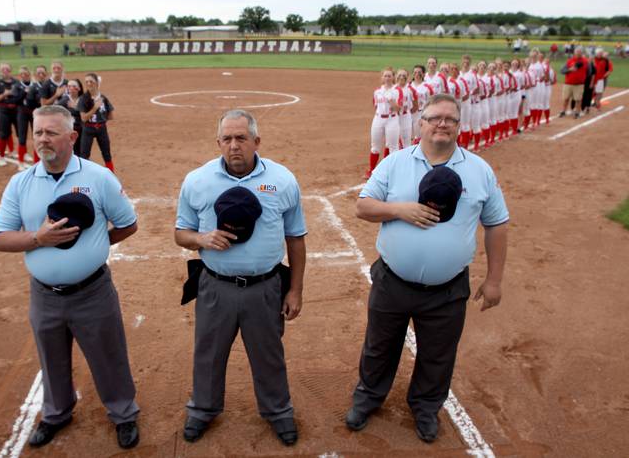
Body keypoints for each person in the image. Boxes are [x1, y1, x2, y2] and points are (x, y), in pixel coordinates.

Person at [345, 93, 509, 443]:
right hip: (393, 281)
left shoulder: (479, 171)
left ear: (458, 125)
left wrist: (494, 280)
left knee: (438, 354)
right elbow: (363, 207)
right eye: (435, 117)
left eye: (450, 119)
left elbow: (497, 224)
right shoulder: (394, 163)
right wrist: (400, 210)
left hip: (447, 288)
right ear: (421, 123)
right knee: (379, 346)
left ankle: (425, 407)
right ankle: (368, 398)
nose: (442, 124)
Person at [0, 105, 141, 450]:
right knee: (51, 357)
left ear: (72, 137)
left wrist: (95, 246)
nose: (43, 139)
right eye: (38, 132)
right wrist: (37, 239)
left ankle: (123, 413)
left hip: (92, 292)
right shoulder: (20, 183)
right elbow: (0, 238)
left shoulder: (99, 177)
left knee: (109, 354)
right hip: (44, 295)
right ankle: (57, 414)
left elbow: (128, 223)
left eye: (51, 132)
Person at [174, 109, 307, 446]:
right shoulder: (197, 180)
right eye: (227, 139)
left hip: (265, 288)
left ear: (256, 141)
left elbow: (296, 237)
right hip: (215, 287)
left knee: (268, 354)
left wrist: (295, 291)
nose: (234, 146)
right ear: (218, 142)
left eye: (241, 138)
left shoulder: (282, 180)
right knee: (208, 353)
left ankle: (278, 412)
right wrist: (202, 239)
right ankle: (202, 409)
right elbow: (180, 233)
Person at [367, 67, 402, 178]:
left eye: (389, 76)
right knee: (375, 146)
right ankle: (372, 171)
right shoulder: (377, 92)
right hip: (378, 119)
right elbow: (375, 105)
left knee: (393, 147)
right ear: (382, 78)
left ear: (393, 77)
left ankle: (391, 171)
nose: (387, 78)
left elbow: (398, 109)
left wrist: (391, 100)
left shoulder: (397, 91)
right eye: (385, 76)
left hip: (392, 119)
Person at [79, 73, 116, 171]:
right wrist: (95, 108)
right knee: (84, 154)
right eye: (86, 82)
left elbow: (111, 115)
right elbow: (83, 118)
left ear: (96, 83)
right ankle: (83, 174)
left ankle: (111, 174)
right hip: (88, 128)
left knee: (106, 153)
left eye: (91, 81)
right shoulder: (83, 99)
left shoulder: (103, 98)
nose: (89, 83)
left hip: (101, 128)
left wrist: (101, 119)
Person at [55, 79, 84, 156]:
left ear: (79, 88)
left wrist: (76, 107)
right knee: (71, 150)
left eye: (74, 86)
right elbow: (55, 112)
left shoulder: (83, 99)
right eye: (69, 86)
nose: (71, 88)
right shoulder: (64, 100)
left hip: (83, 130)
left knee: (83, 151)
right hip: (69, 131)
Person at [560, 47, 588, 119]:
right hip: (568, 83)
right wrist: (570, 69)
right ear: (574, 53)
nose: (578, 53)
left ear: (582, 53)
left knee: (578, 99)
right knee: (566, 98)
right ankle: (563, 111)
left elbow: (589, 72)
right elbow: (562, 71)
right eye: (577, 52)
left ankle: (577, 113)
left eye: (579, 52)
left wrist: (583, 78)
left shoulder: (585, 61)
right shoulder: (570, 61)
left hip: (579, 84)